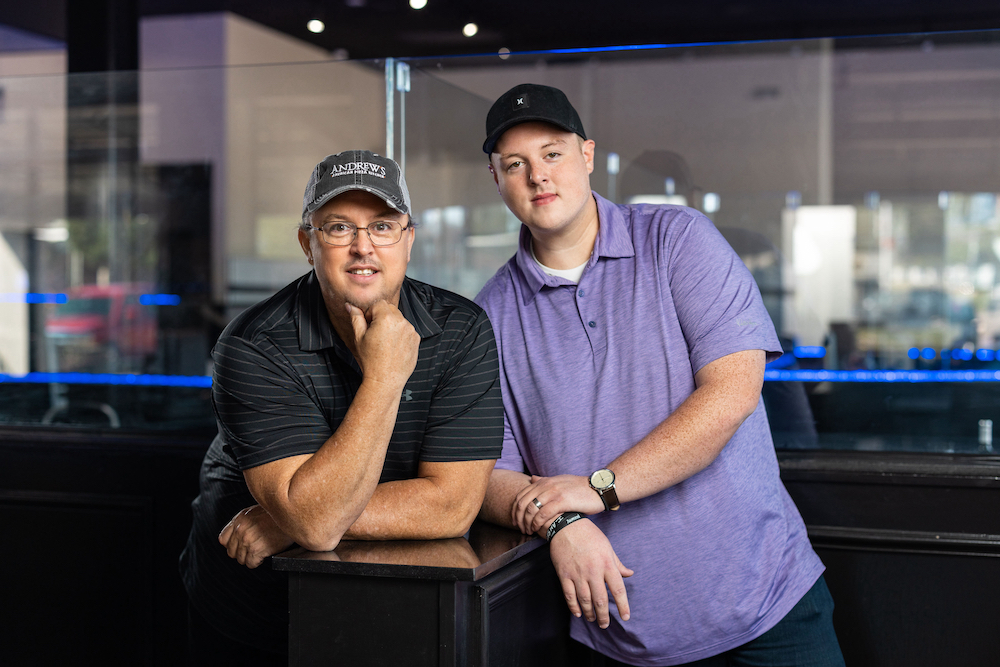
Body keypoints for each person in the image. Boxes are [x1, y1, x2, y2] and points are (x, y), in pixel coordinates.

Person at [475, 84, 844, 666]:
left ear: (588, 156)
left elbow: (732, 392)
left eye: (552, 154)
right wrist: (562, 521)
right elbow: (489, 473)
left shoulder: (679, 241)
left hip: (765, 608)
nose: (537, 176)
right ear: (496, 178)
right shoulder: (489, 315)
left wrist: (598, 488)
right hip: (620, 636)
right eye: (515, 164)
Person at [179, 150, 504, 665]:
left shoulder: (464, 330)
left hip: (391, 607)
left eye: (382, 226)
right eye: (337, 228)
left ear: (409, 240)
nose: (362, 248)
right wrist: (385, 376)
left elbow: (452, 504)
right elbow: (318, 525)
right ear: (308, 243)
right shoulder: (252, 345)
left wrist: (286, 519)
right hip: (253, 607)